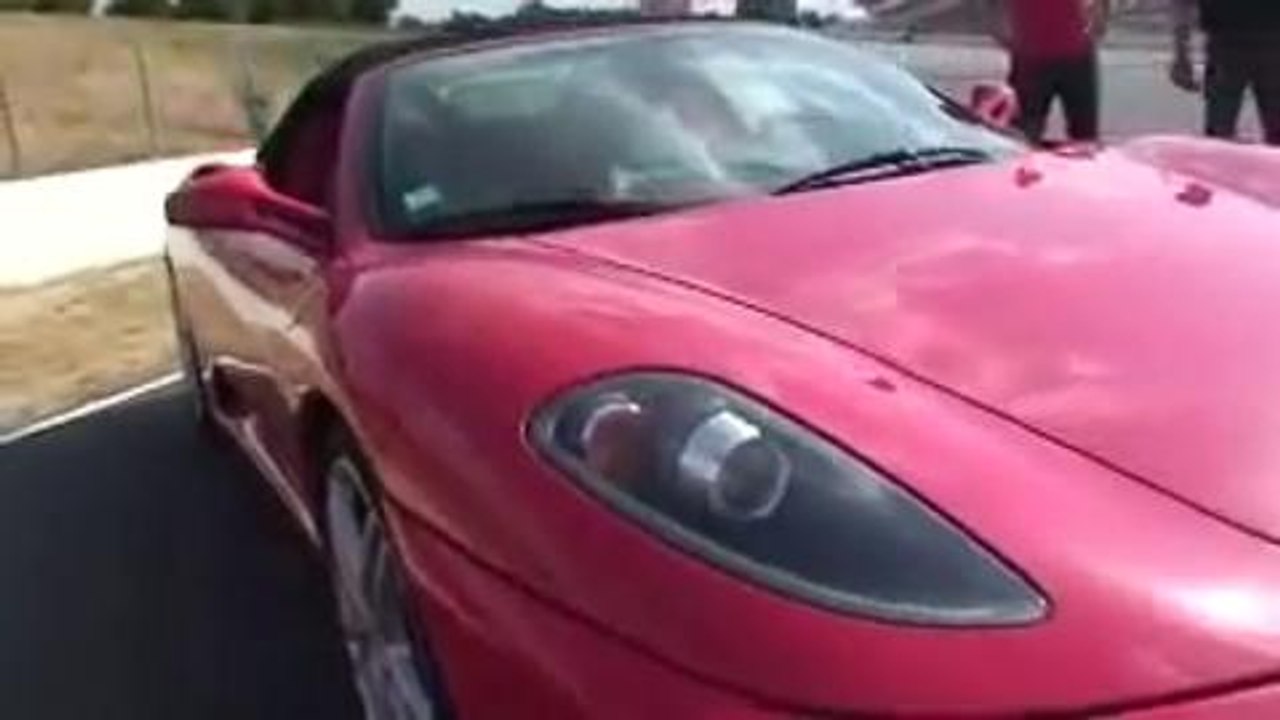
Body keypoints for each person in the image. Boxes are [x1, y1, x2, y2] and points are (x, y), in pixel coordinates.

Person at [982, 0, 1112, 145]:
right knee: (1022, 136)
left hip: (1076, 54)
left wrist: (1102, 17)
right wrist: (998, 29)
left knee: (1085, 137)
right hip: (1031, 59)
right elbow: (993, 6)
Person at [1170, 0, 1280, 145]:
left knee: (1219, 133)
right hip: (1232, 46)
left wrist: (1181, 55)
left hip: (1227, 46)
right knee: (1219, 133)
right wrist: (1181, 56)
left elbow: (1183, 5)